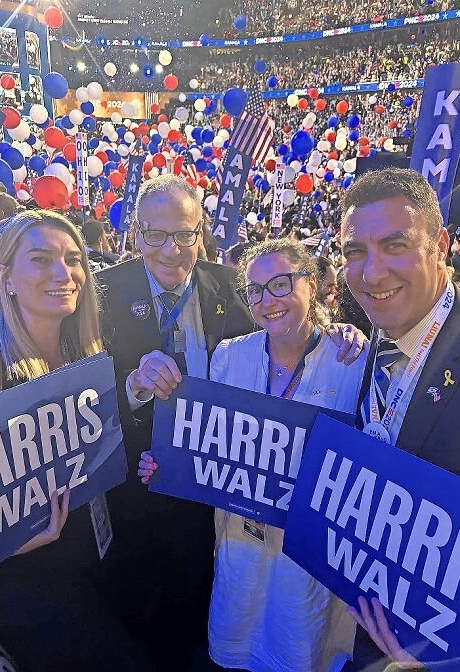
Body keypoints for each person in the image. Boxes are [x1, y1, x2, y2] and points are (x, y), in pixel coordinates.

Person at [97, 175, 364, 671]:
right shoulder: (102, 293)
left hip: (223, 499)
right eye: (157, 235)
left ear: (201, 232)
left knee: (213, 615)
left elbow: (284, 325)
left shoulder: (230, 285)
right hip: (140, 487)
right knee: (141, 626)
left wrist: (335, 328)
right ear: (135, 234)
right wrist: (134, 386)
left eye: (185, 233)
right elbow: (85, 392)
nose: (171, 249)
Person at [0, 209, 155, 672]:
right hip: (25, 584)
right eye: (40, 259)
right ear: (6, 277)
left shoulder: (84, 350)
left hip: (96, 556)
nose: (63, 273)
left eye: (73, 258)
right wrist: (7, 542)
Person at [340, 167, 460, 671]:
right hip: (368, 633)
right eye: (354, 252)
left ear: (440, 246)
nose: (371, 273)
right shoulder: (369, 334)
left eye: (394, 246)